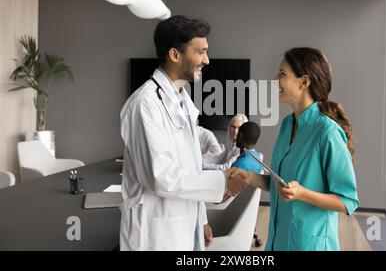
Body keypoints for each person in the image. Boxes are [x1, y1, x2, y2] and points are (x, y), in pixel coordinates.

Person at [119, 15, 246, 251]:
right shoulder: (145, 104)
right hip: (156, 233)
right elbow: (160, 176)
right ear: (175, 55)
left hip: (185, 223)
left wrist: (203, 220)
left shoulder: (182, 100)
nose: (207, 60)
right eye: (200, 52)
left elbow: (191, 167)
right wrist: (222, 183)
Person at [231, 47, 359, 251]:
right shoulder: (287, 125)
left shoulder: (327, 132)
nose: (274, 80)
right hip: (278, 241)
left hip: (310, 245)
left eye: (282, 74)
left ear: (304, 82)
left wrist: (303, 194)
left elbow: (348, 201)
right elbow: (283, 184)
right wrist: (248, 177)